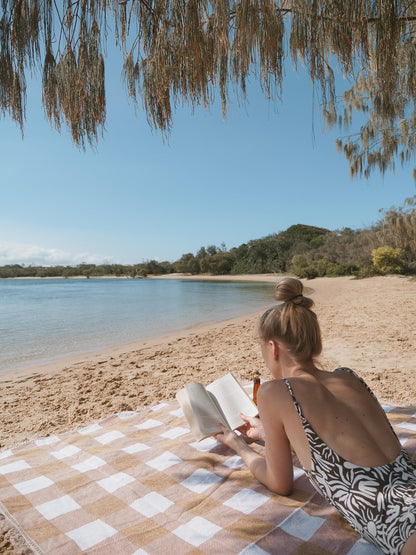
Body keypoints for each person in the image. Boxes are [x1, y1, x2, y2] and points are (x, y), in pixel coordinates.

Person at [216, 277, 416, 555]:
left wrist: (238, 445)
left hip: (403, 524)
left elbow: (280, 483)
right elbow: (342, 443)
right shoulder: (349, 377)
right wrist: (266, 435)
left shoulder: (275, 392)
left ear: (273, 348)